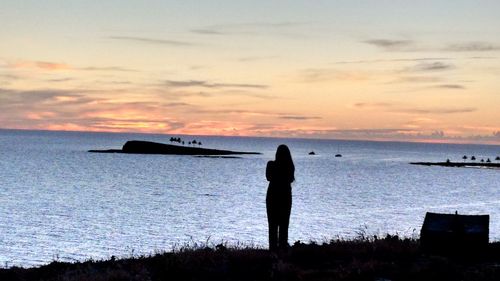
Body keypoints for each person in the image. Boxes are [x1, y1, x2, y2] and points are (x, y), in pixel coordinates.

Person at [266, 144, 295, 252]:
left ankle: (272, 250)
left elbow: (268, 177)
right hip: (285, 197)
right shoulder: (290, 167)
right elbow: (291, 179)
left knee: (272, 225)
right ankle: (282, 249)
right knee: (284, 224)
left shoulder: (271, 164)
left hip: (272, 196)